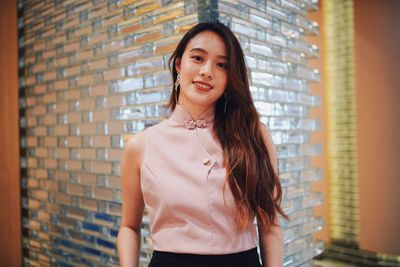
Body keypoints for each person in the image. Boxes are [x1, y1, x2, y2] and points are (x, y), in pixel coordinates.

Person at [117, 21, 287, 267]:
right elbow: (129, 227)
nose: (207, 71)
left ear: (231, 77)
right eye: (197, 58)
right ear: (178, 64)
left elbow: (269, 225)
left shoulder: (254, 135)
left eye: (221, 64)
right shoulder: (141, 145)